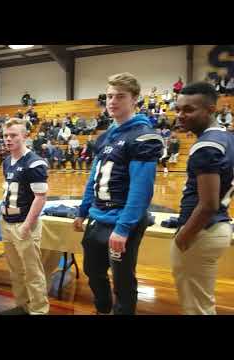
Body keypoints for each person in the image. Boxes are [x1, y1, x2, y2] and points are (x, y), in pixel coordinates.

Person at [73, 73, 163, 315]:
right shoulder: (107, 136)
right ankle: (102, 309)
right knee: (92, 270)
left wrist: (123, 228)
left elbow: (141, 189)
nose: (112, 101)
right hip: (98, 216)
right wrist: (82, 211)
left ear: (135, 99)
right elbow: (94, 176)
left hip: (123, 219)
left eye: (120, 97)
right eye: (109, 96)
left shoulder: (143, 135)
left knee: (123, 280)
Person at [171, 82, 234, 315]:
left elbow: (208, 204)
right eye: (178, 109)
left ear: (210, 109)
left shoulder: (206, 146)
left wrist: (183, 238)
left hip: (201, 231)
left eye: (189, 110)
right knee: (202, 304)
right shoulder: (227, 138)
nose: (180, 115)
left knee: (197, 308)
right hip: (217, 226)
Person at [0, 118, 49, 315]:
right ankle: (22, 306)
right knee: (16, 271)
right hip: (6, 222)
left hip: (24, 225)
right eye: (5, 135)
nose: (8, 139)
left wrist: (27, 225)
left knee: (32, 272)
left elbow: (40, 197)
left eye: (13, 135)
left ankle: (38, 310)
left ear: (25, 136)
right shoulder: (6, 161)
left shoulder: (35, 162)